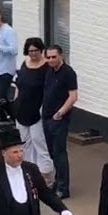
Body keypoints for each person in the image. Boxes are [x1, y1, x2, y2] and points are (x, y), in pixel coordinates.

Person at [12, 37, 53, 182]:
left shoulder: (47, 67)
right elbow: (19, 84)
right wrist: (16, 101)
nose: (33, 54)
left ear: (41, 50)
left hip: (37, 110)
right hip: (22, 108)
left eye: (36, 50)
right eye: (30, 51)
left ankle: (46, 174)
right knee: (25, 142)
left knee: (39, 141)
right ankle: (29, 171)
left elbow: (49, 90)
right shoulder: (25, 64)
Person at [41, 45, 78, 199]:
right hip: (47, 116)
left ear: (60, 56)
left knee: (59, 152)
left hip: (59, 119)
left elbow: (73, 96)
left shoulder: (68, 73)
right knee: (51, 152)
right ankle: (57, 181)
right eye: (48, 57)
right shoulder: (49, 71)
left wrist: (60, 112)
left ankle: (63, 188)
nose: (50, 60)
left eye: (53, 57)